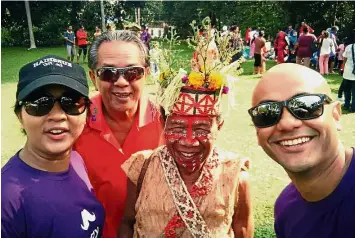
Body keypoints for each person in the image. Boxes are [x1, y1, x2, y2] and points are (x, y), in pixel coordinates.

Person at [118, 48, 253, 237]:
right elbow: (127, 223)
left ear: (219, 126)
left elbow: (242, 230)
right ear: (163, 123)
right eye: (178, 128)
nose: (189, 141)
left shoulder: (235, 176)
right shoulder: (142, 168)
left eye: (201, 129)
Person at [248, 63, 355, 238]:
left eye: (306, 105)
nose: (287, 123)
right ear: (257, 131)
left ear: (336, 115)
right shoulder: (285, 208)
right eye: (266, 113)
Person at [1, 55, 105, 238]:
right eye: (40, 104)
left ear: (87, 112)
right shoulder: (7, 200)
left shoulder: (76, 160)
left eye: (71, 102)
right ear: (20, 116)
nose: (57, 115)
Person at [74, 30, 165, 238]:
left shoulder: (167, 119)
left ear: (146, 73)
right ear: (92, 77)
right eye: (108, 73)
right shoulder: (74, 122)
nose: (122, 82)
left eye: (133, 72)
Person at [342, 23, 355, 113]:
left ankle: (346, 104)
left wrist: (342, 68)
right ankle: (354, 107)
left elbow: (344, 59)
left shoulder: (350, 47)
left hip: (348, 72)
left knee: (347, 90)